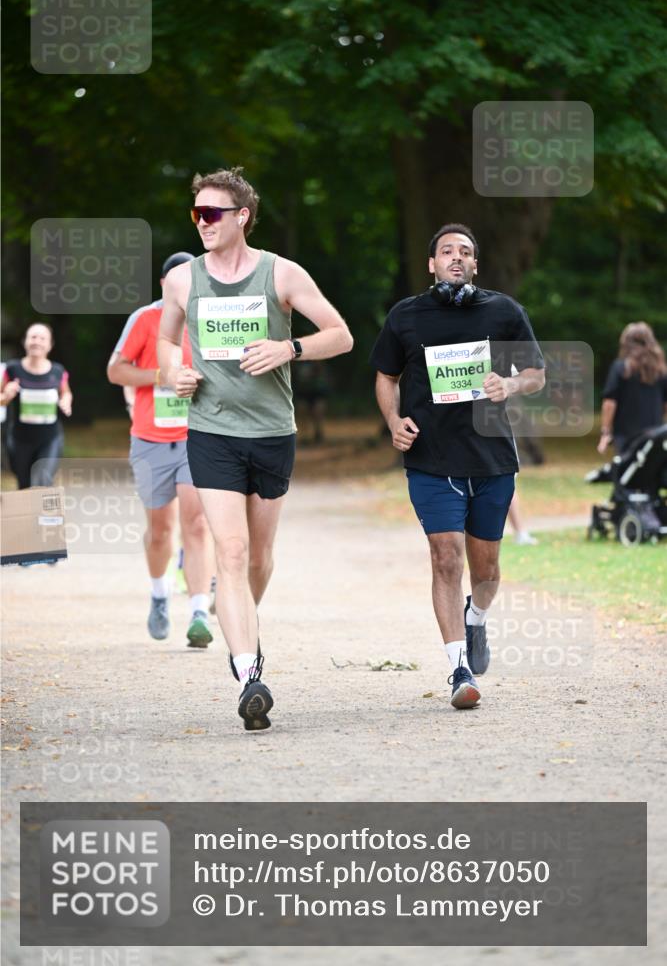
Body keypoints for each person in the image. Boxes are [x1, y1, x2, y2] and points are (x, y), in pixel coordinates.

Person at [157, 166, 353, 731]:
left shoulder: (282, 274)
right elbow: (168, 341)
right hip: (212, 431)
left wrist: (287, 348)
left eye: (212, 213)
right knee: (233, 552)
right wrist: (176, 373)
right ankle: (248, 672)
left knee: (259, 558)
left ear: (241, 216)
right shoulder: (183, 281)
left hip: (271, 432)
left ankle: (238, 619)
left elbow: (340, 334)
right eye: (196, 214)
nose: (202, 223)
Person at [371, 223, 545, 710]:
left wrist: (508, 387)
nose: (455, 257)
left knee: (486, 570)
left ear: (475, 264)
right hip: (430, 458)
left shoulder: (504, 311)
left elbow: (535, 374)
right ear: (431, 263)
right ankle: (458, 669)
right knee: (446, 557)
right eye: (446, 250)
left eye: (465, 251)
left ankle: (477, 619)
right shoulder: (406, 316)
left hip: (490, 458)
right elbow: (386, 377)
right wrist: (393, 419)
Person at [107, 252, 215, 648]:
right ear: (163, 285)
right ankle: (159, 596)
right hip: (150, 438)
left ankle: (200, 611)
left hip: (197, 436)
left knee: (197, 522)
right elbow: (115, 370)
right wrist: (161, 375)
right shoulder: (144, 319)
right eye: (173, 282)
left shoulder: (209, 319)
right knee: (160, 530)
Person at [1, 323, 72, 488]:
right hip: (20, 440)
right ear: (25, 341)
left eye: (42, 338)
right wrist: (7, 395)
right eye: (33, 337)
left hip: (50, 439)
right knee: (24, 484)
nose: (37, 342)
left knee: (42, 479)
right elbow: (1, 399)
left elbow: (66, 392)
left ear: (50, 345)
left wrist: (66, 401)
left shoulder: (58, 371)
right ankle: (28, 515)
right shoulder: (12, 369)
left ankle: (47, 515)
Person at [597, 322, 667, 456]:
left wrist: (605, 432)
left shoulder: (620, 368)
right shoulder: (661, 371)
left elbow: (609, 403)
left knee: (627, 472)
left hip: (625, 436)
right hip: (655, 435)